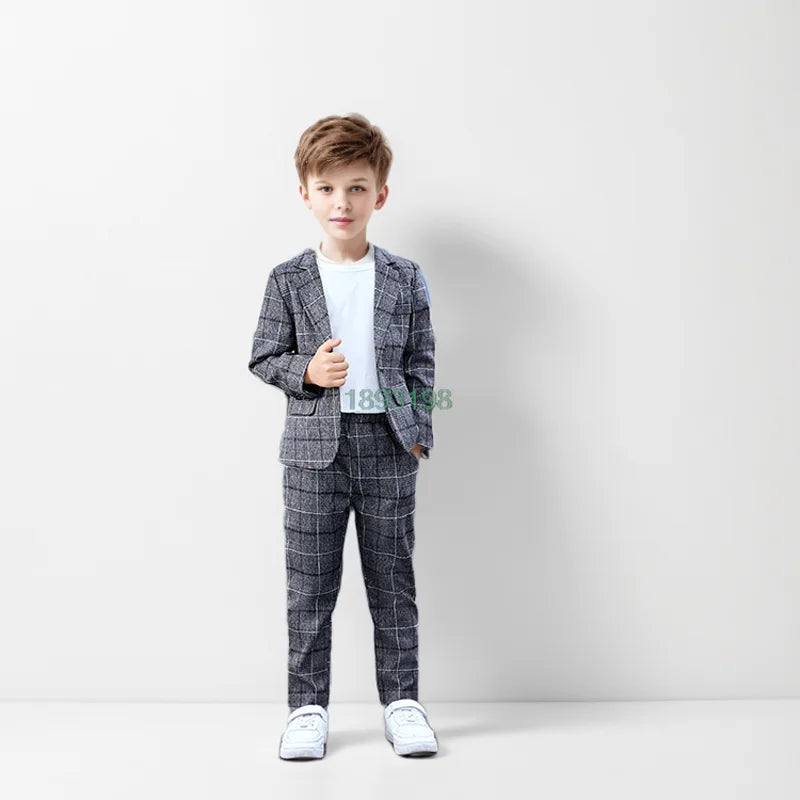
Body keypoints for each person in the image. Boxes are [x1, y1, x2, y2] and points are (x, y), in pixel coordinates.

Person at [248, 113, 439, 759]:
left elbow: (421, 362)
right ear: (305, 193)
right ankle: (307, 709)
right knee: (309, 586)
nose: (342, 202)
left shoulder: (405, 277)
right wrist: (306, 371)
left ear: (379, 195)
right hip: (312, 455)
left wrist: (418, 432)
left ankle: (403, 703)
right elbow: (263, 356)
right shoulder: (288, 278)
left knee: (393, 582)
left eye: (357, 188)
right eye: (327, 188)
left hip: (389, 445)